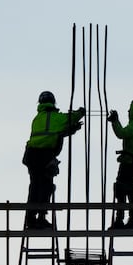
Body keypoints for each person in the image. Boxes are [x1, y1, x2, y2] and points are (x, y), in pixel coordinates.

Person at [22, 91, 85, 229]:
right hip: (44, 156)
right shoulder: (55, 117)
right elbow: (71, 118)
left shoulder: (38, 118)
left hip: (31, 155)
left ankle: (31, 219)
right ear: (53, 103)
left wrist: (69, 130)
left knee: (35, 186)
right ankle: (41, 218)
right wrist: (81, 112)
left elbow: (53, 133)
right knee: (46, 186)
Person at [107, 96, 133, 229]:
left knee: (122, 189)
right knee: (129, 190)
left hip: (129, 163)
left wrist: (115, 121)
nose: (128, 111)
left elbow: (122, 133)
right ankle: (130, 220)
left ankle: (123, 220)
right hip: (130, 161)